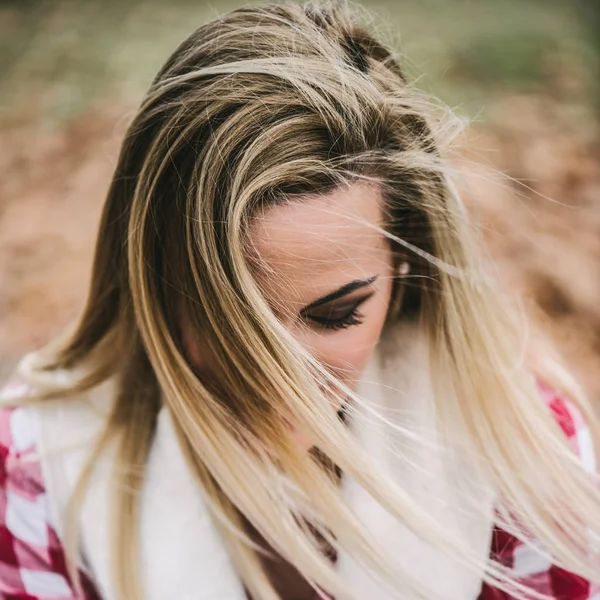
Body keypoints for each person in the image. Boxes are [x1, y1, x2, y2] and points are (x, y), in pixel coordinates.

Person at [1, 2, 599, 599]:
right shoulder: (36, 469)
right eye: (225, 317)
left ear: (404, 270)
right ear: (148, 278)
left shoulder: (525, 461)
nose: (277, 377)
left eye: (336, 314)